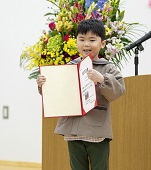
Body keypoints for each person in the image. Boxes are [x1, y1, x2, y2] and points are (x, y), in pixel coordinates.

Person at [36, 19, 125, 170]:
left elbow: (118, 91)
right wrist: (43, 84)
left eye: (92, 40)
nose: (86, 44)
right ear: (75, 41)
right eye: (81, 39)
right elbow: (57, 93)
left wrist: (102, 79)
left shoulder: (109, 68)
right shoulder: (70, 67)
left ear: (102, 44)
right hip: (73, 131)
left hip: (97, 131)